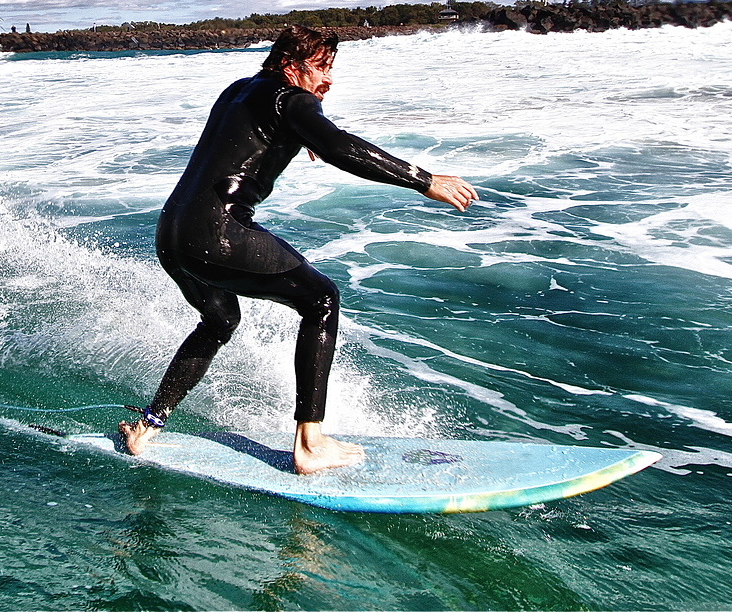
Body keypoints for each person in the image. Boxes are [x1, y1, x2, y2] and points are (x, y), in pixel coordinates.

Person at [120, 25, 477, 474]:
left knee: (220, 320)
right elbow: (339, 146)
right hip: (218, 232)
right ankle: (309, 443)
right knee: (321, 299)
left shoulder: (239, 90)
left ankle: (148, 425)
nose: (328, 80)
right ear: (291, 67)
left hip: (173, 233)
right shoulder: (292, 100)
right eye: (322, 68)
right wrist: (424, 180)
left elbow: (253, 134)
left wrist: (300, 133)